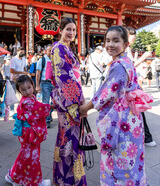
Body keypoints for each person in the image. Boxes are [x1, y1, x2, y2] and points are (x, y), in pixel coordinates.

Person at [79, 25, 152, 186]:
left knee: (120, 158)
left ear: (126, 44)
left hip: (121, 121)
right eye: (107, 40)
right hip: (133, 119)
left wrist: (85, 108)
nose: (110, 44)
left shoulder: (119, 65)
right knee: (133, 158)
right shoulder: (126, 61)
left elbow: (105, 93)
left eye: (116, 40)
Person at [51, 17, 87, 186]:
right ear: (60, 29)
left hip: (69, 99)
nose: (71, 33)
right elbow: (65, 78)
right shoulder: (58, 48)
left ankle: (65, 178)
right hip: (69, 102)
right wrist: (79, 102)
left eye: (74, 30)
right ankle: (69, 180)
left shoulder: (66, 48)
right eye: (68, 29)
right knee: (69, 139)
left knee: (68, 139)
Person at [5, 75, 51, 186]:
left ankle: (13, 176)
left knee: (25, 155)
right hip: (29, 133)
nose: (27, 91)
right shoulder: (27, 102)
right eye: (23, 90)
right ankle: (36, 181)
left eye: (29, 87)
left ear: (33, 85)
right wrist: (51, 106)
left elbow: (37, 107)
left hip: (28, 132)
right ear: (19, 91)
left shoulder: (30, 98)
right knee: (32, 157)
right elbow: (39, 108)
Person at [127, 27, 156, 147]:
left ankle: (143, 136)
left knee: (135, 110)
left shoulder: (127, 48)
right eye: (132, 34)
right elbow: (130, 66)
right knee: (137, 109)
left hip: (131, 84)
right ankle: (146, 137)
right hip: (130, 85)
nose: (134, 37)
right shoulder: (125, 48)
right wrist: (143, 57)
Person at [36, 45, 54, 128]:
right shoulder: (42, 60)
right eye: (49, 50)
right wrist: (37, 85)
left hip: (54, 84)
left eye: (52, 50)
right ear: (46, 51)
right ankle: (47, 121)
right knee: (46, 102)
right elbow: (38, 73)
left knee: (55, 102)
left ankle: (49, 115)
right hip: (45, 83)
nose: (51, 52)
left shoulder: (55, 59)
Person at [10, 47, 27, 114]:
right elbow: (11, 70)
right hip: (14, 79)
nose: (21, 53)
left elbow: (25, 68)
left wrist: (25, 72)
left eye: (22, 52)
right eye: (20, 51)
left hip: (21, 79)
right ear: (17, 51)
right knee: (12, 95)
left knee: (23, 94)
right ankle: (11, 110)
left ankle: (22, 109)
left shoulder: (24, 59)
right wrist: (22, 72)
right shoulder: (13, 59)